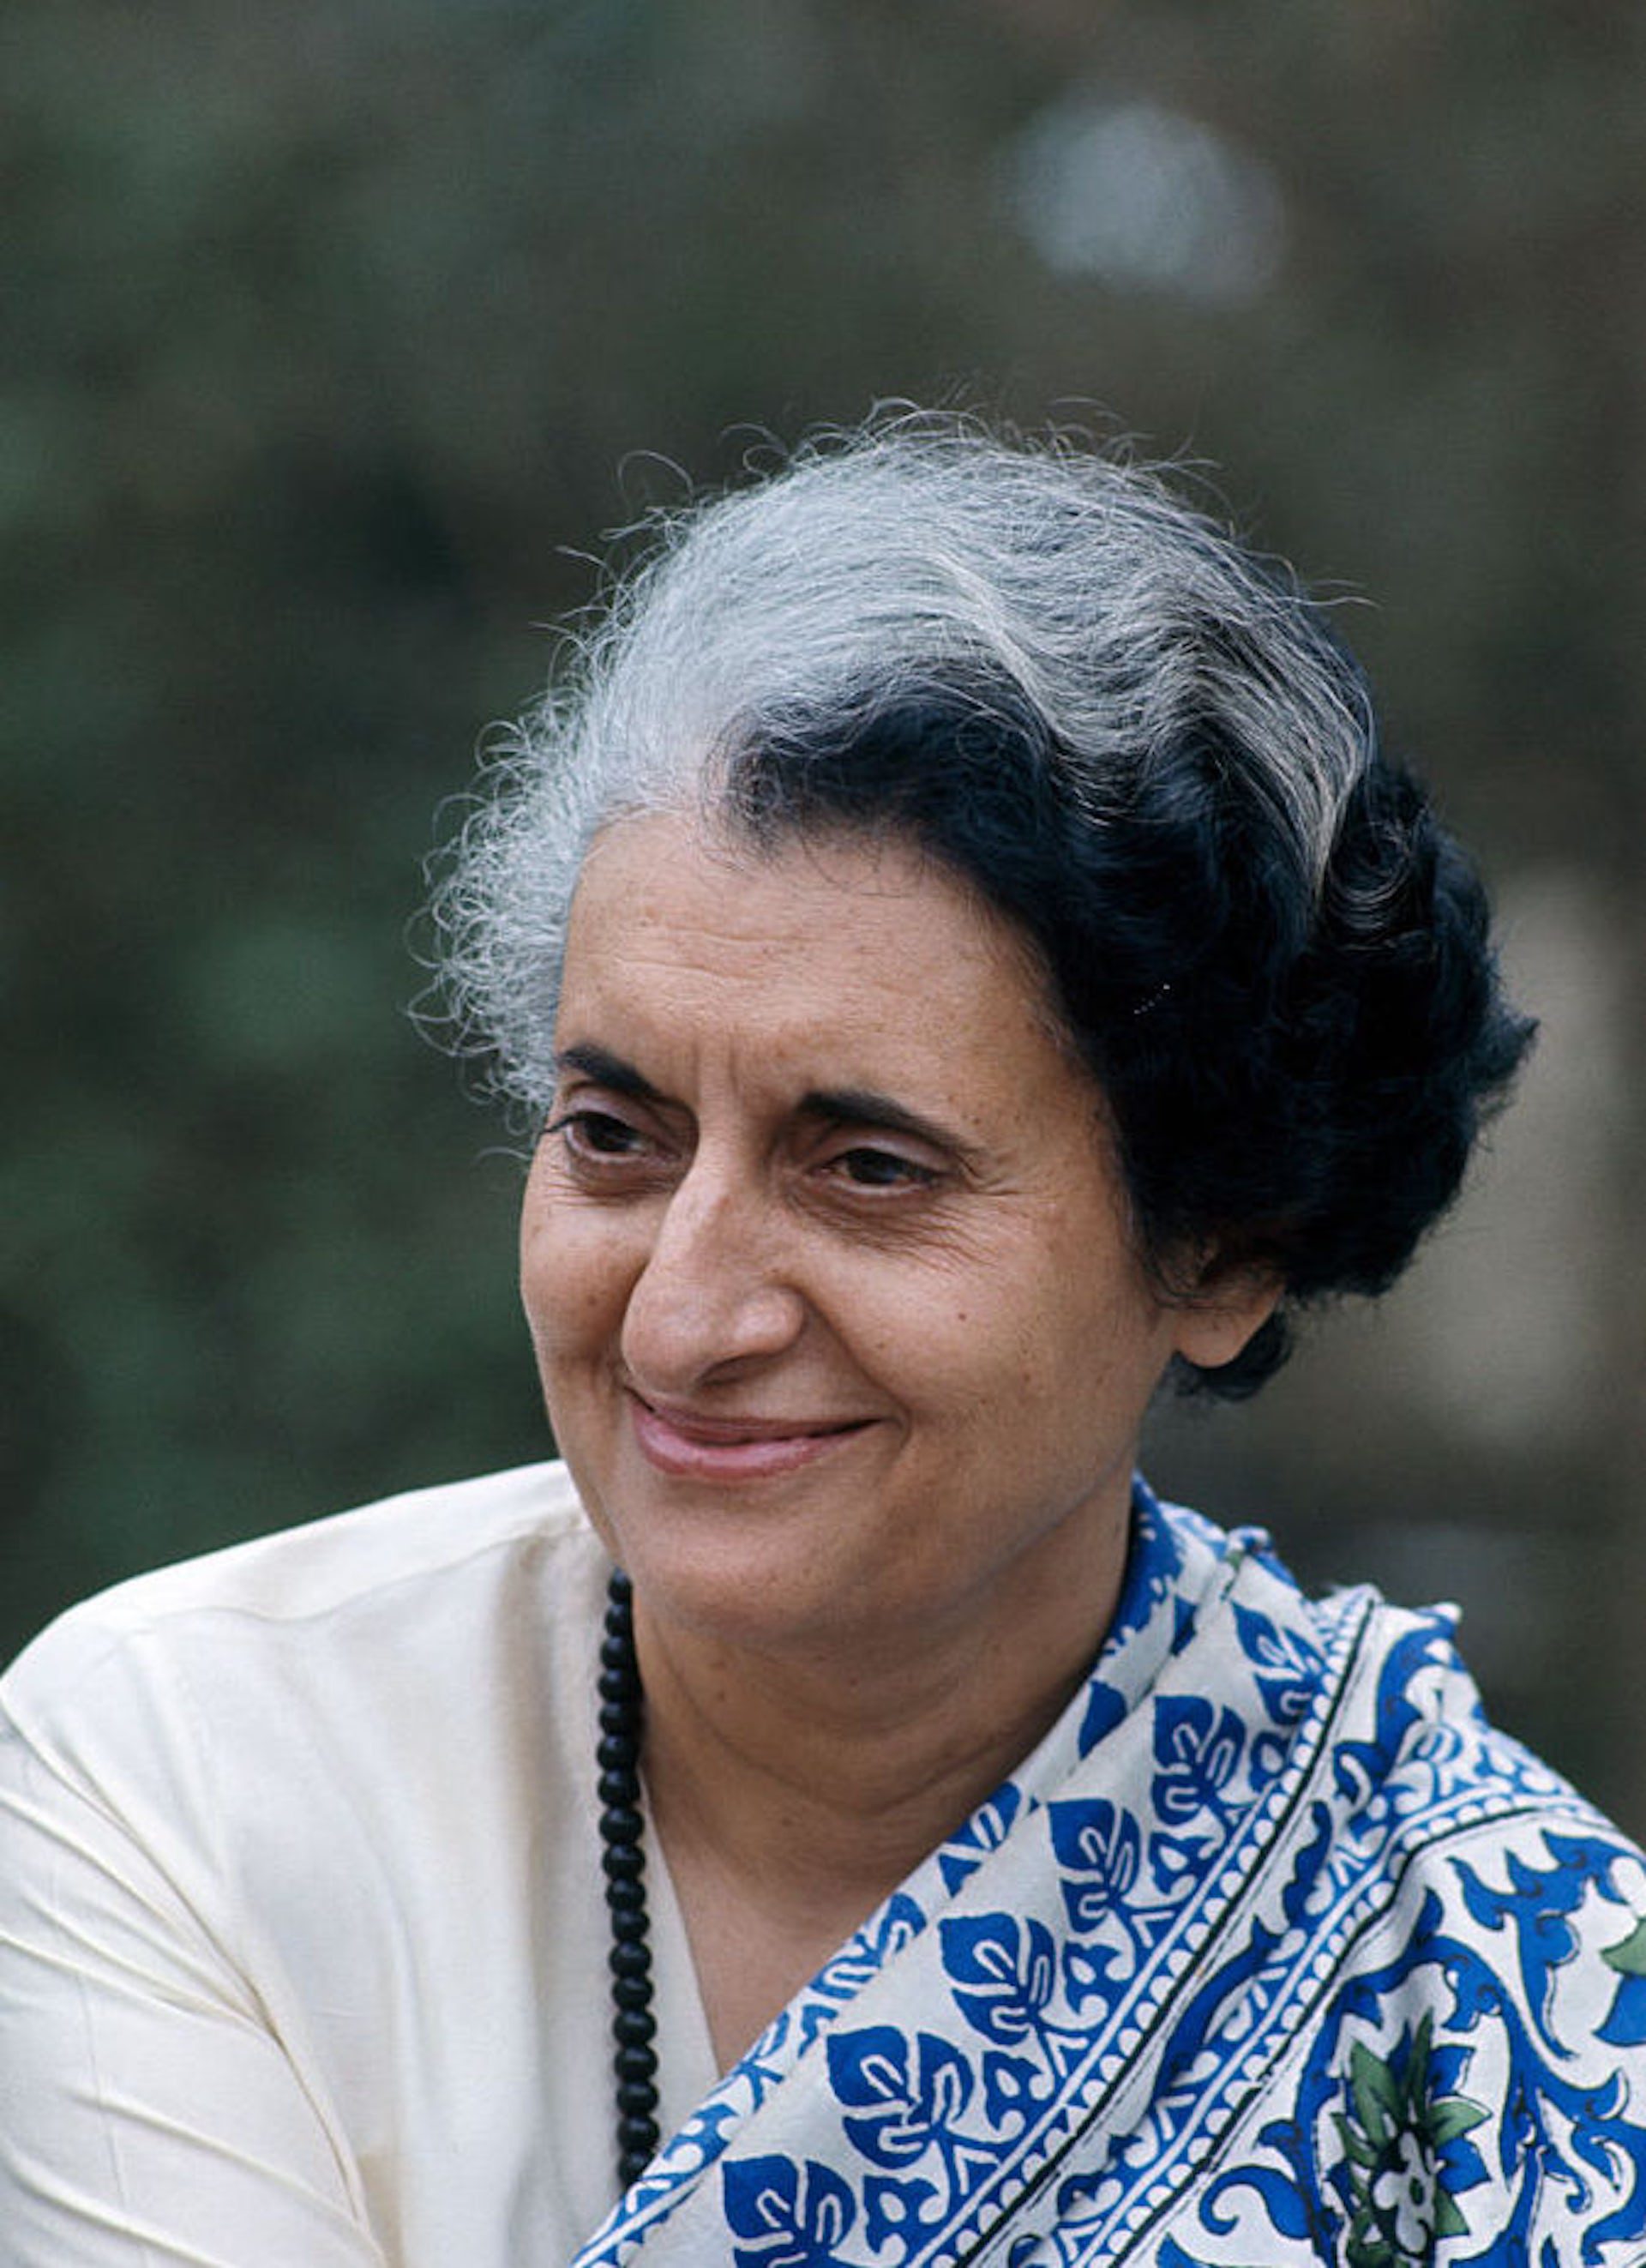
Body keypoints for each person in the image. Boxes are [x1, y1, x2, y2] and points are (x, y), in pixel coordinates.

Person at [3, 415, 1643, 2268]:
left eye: (867, 1168)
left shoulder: (1503, 1987)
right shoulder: (206, 1783)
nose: (687, 1319)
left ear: (1222, 1243)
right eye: (613, 1138)